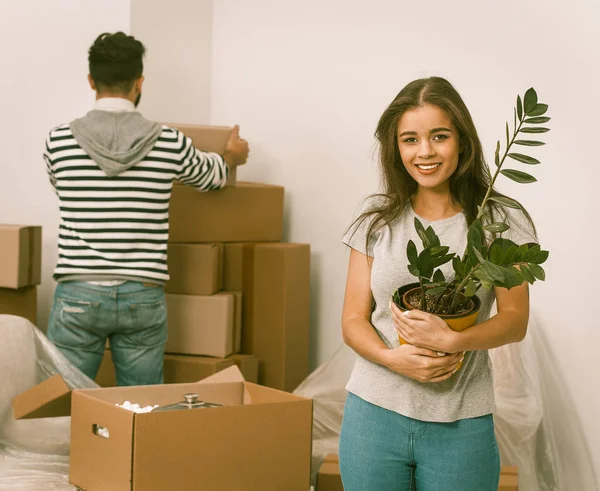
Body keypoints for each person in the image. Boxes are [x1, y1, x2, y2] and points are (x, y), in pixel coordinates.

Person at [339, 77, 537, 490]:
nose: (424, 152)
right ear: (396, 148)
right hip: (373, 415)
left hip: (460, 420)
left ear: (462, 141)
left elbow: (515, 320)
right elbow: (353, 320)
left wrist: (452, 341)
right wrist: (392, 358)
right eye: (410, 139)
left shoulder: (500, 220)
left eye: (439, 136)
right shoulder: (376, 218)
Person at [43, 32, 249, 386]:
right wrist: (232, 157)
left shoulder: (58, 141)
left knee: (61, 405)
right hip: (142, 292)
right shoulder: (168, 142)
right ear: (139, 82)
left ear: (91, 81)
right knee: (140, 410)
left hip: (78, 293)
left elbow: (60, 185)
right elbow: (212, 177)